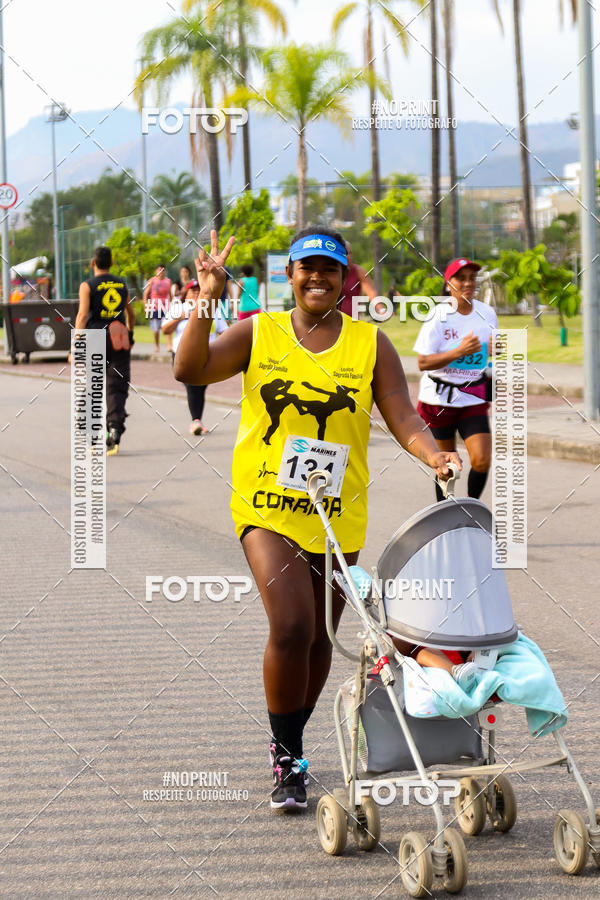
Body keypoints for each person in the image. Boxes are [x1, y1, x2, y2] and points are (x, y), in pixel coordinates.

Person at [174, 226, 461, 811]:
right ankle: (287, 757)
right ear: (290, 274)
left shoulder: (370, 343)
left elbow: (402, 412)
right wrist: (205, 295)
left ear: (344, 278)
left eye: (329, 269)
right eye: (306, 267)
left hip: (337, 510)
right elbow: (190, 369)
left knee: (322, 637)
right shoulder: (261, 331)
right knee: (292, 625)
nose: (316, 278)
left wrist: (434, 453)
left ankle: (293, 744)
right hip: (266, 505)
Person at [413, 258, 497, 502]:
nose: (468, 283)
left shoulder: (487, 313)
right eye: (462, 278)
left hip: (472, 396)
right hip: (438, 400)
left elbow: (490, 354)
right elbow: (423, 363)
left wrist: (495, 350)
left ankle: (471, 506)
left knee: (481, 458)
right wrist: (459, 351)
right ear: (449, 284)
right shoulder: (438, 316)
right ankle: (446, 514)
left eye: (472, 278)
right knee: (445, 466)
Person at [75, 245, 135, 455]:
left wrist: (76, 347)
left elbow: (82, 316)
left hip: (95, 339)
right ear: (111, 263)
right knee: (117, 386)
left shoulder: (87, 285)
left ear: (93, 263)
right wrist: (130, 332)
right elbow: (131, 313)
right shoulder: (121, 284)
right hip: (119, 338)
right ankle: (115, 431)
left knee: (93, 386)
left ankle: (93, 438)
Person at [162, 278, 226, 435]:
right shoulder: (179, 308)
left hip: (207, 356)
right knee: (193, 386)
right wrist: (180, 317)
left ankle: (197, 420)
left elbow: (223, 330)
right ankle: (196, 421)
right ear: (186, 294)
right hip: (182, 357)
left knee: (199, 388)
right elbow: (165, 330)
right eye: (193, 291)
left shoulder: (212, 309)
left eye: (199, 290)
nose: (197, 293)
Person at [337, 240, 378, 317]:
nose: (347, 256)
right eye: (343, 253)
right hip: (332, 321)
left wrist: (381, 309)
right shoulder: (329, 272)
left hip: (352, 320)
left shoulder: (359, 271)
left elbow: (371, 292)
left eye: (349, 253)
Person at [143, 263, 172, 352]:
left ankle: (169, 345)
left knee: (167, 327)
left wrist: (172, 305)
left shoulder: (168, 281)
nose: (161, 272)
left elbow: (171, 295)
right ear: (156, 271)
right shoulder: (152, 281)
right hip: (154, 308)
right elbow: (146, 294)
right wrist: (146, 305)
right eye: (159, 270)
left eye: (163, 270)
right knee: (156, 329)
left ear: (165, 271)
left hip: (165, 308)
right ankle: (157, 346)